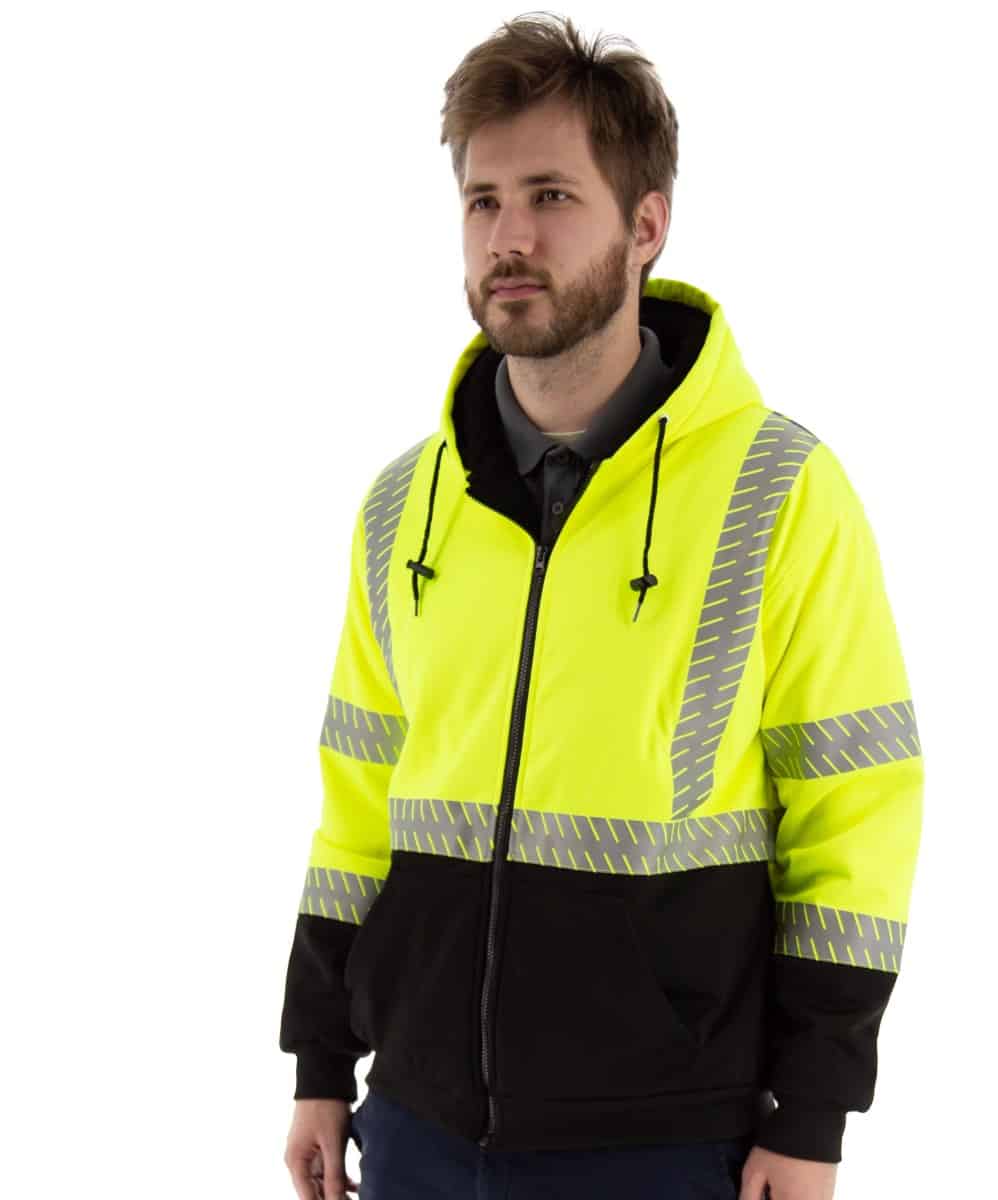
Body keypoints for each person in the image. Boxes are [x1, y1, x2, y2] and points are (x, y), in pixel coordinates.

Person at [280, 14, 923, 1200]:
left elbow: (855, 816)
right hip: (413, 1127)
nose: (509, 237)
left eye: (552, 196)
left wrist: (814, 1114)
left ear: (646, 226)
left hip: (664, 1141)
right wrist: (320, 1061)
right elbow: (356, 805)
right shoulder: (403, 507)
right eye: (483, 201)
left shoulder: (779, 491)